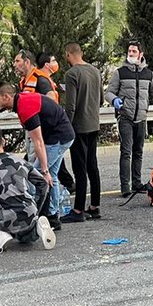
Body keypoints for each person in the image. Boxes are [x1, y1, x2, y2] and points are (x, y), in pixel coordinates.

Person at [0, 83, 74, 229]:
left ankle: (35, 216)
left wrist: (44, 169)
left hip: (58, 138)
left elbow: (38, 142)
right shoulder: (21, 100)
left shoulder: (25, 107)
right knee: (51, 177)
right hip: (59, 136)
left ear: (6, 97)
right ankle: (53, 217)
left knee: (34, 177)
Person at [0, 124, 56, 252]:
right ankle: (36, 227)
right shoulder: (20, 161)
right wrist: (36, 207)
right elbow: (43, 184)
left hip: (4, 216)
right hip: (29, 212)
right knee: (24, 239)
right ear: (3, 141)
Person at [104, 39, 153, 197]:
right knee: (126, 151)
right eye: (129, 51)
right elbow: (108, 92)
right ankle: (125, 186)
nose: (131, 54)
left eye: (134, 51)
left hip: (141, 118)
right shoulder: (120, 72)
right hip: (125, 117)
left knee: (138, 151)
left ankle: (136, 182)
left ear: (141, 54)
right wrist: (114, 100)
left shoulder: (149, 75)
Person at [61, 42, 102, 222]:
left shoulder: (71, 74)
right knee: (92, 165)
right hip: (93, 124)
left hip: (78, 127)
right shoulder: (95, 71)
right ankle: (94, 206)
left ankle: (78, 210)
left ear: (68, 55)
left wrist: (65, 127)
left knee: (80, 169)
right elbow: (100, 98)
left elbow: (70, 106)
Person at [37, 50, 74, 195]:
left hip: (54, 130)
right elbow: (50, 99)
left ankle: (53, 207)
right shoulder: (43, 81)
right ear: (47, 65)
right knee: (42, 168)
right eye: (53, 61)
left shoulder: (44, 79)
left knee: (53, 166)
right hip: (53, 128)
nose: (56, 64)